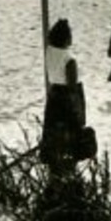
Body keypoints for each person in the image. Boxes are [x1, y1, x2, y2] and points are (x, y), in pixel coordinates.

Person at [41, 19, 86, 174]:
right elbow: (72, 86)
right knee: (70, 142)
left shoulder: (49, 51)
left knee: (54, 141)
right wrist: (79, 113)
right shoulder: (69, 58)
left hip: (53, 97)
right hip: (67, 99)